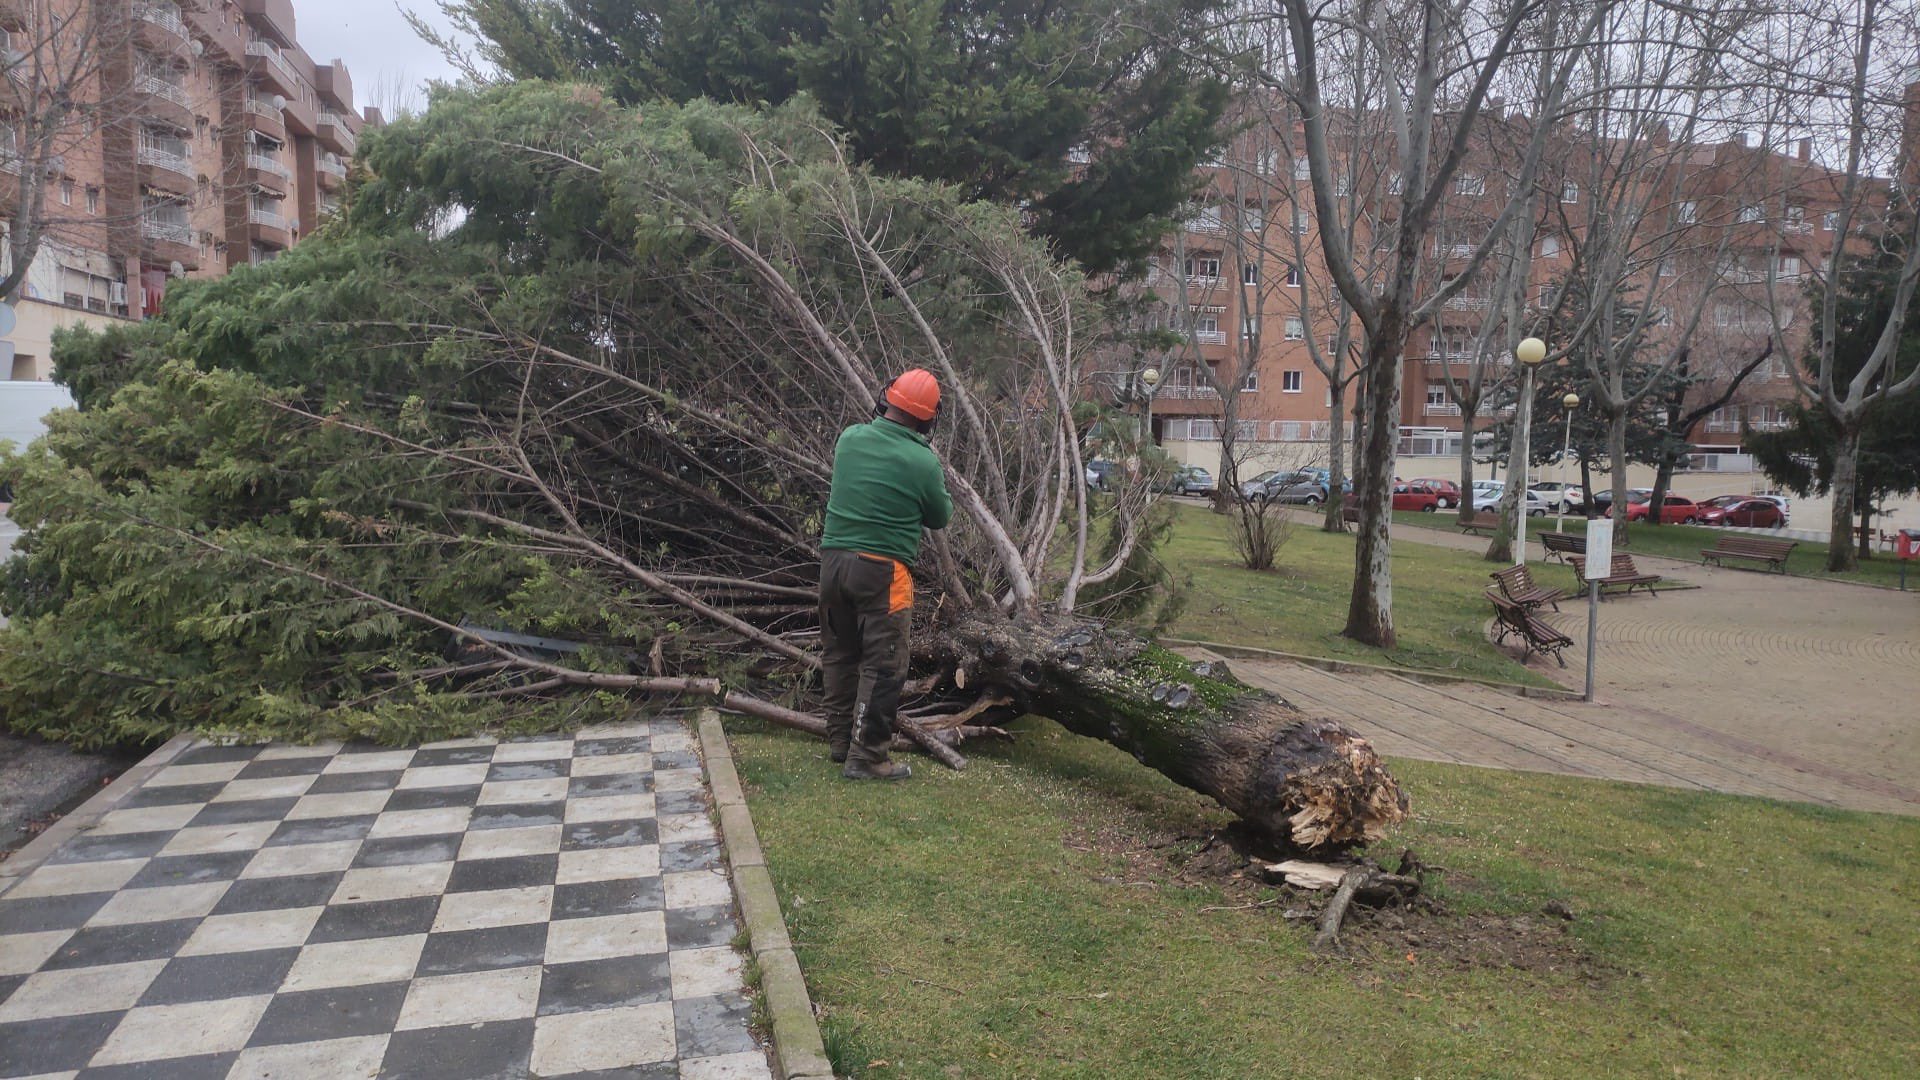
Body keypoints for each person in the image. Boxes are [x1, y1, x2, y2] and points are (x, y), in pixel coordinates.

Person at [817, 368, 953, 780]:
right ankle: (869, 757)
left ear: (885, 399)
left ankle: (841, 743)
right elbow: (940, 515)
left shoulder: (850, 439)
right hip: (883, 571)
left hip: (833, 563)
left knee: (840, 655)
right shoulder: (922, 461)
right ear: (928, 420)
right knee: (885, 664)